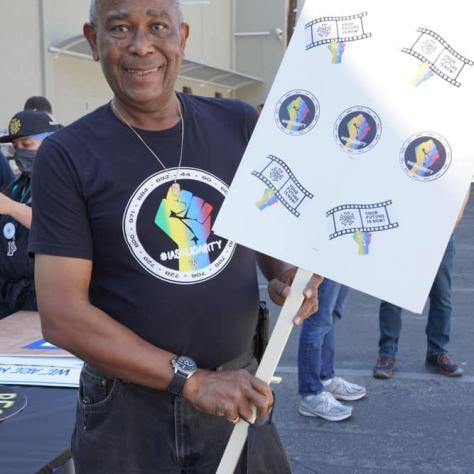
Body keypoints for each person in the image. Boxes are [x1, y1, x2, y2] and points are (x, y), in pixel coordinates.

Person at [28, 1, 322, 472]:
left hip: (239, 391)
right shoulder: (66, 155)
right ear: (93, 39)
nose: (141, 45)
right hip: (125, 411)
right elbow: (63, 316)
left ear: (182, 37)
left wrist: (289, 277)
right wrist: (191, 380)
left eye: (157, 26)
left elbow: (271, 238)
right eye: (120, 27)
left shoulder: (238, 124)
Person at [374, 192, 470, 379]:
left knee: (441, 296)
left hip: (439, 228)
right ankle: (387, 353)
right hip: (402, 225)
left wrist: (457, 213)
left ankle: (437, 351)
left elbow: (463, 179)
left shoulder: (456, 160)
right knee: (392, 292)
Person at [0, 110, 57, 319]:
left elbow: (59, 229)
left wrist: (12, 208)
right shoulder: (16, 185)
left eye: (27, 144)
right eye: (16, 147)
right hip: (12, 297)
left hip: (46, 297)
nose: (20, 152)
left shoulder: (65, 181)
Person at [298, 279, 366, 421]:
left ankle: (326, 380)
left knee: (333, 312)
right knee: (318, 318)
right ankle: (311, 394)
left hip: (344, 257)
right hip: (325, 258)